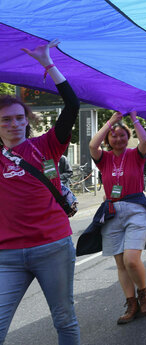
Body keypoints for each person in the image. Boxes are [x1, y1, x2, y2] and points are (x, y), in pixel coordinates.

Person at [0, 40, 81, 344]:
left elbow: (72, 106)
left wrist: (48, 64)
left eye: (19, 118)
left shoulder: (46, 145)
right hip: (7, 255)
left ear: (27, 120)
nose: (14, 124)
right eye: (6, 119)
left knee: (64, 320)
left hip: (53, 248)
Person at [85, 111, 146, 323]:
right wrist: (110, 121)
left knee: (131, 259)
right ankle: (131, 303)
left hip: (136, 208)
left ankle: (144, 293)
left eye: (122, 135)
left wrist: (134, 118)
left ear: (128, 138)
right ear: (108, 139)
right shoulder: (105, 159)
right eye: (114, 135)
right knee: (120, 262)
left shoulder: (135, 155)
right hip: (111, 211)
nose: (118, 139)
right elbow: (93, 145)